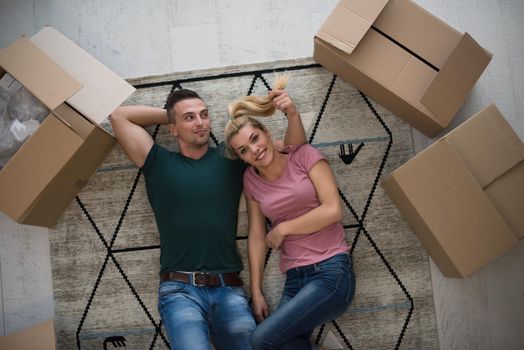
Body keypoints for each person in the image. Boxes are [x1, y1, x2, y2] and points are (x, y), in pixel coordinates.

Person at [109, 84, 306, 350]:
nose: (201, 123)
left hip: (229, 289)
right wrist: (170, 113)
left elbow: (294, 148)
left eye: (204, 114)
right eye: (190, 117)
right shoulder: (158, 162)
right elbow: (119, 116)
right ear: (173, 127)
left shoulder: (231, 156)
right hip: (179, 291)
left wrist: (291, 113)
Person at [224, 76, 356, 350]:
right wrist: (257, 290)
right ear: (242, 158)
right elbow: (257, 236)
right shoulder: (251, 181)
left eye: (255, 138)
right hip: (295, 279)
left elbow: (332, 210)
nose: (255, 150)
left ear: (267, 133)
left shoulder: (305, 156)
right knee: (284, 346)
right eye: (244, 150)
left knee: (262, 340)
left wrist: (284, 228)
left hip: (331, 272)